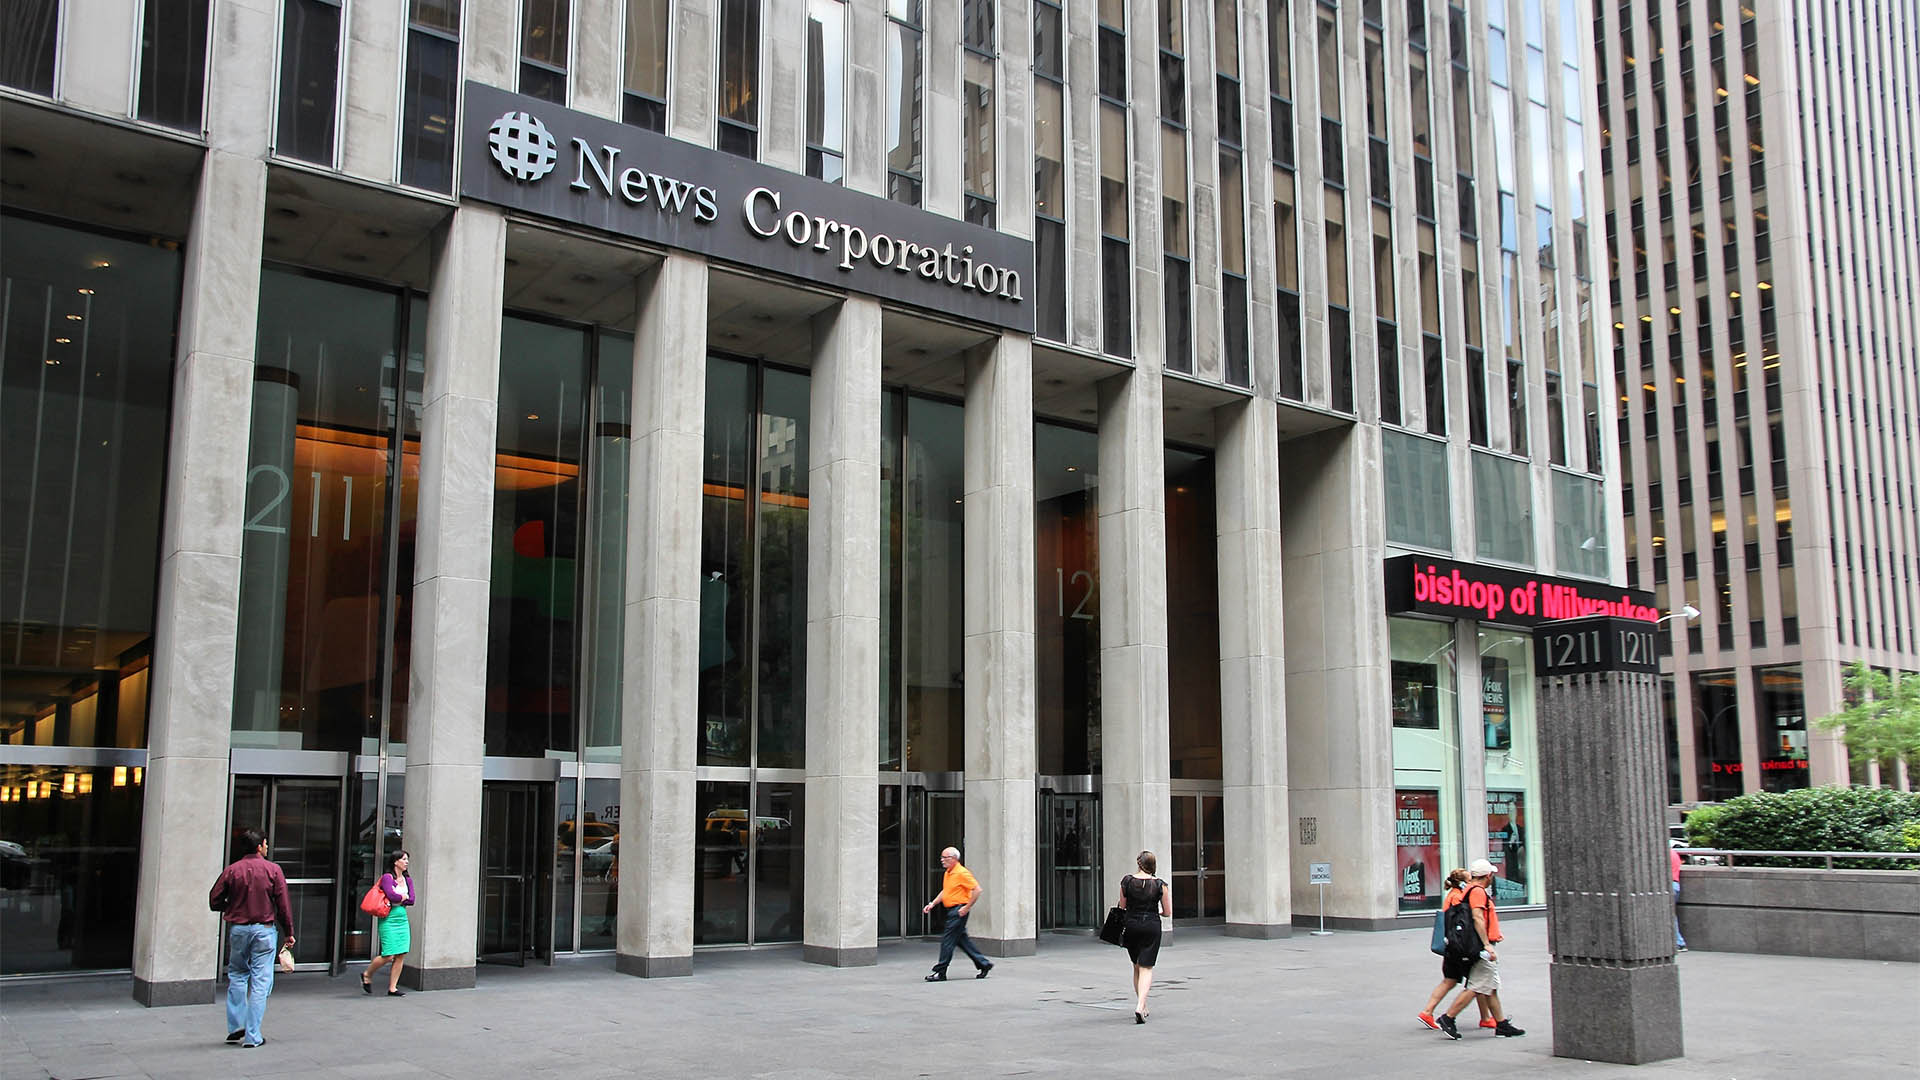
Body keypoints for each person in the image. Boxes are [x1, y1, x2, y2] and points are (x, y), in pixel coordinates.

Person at [208, 828, 294, 1049]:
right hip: (264, 930)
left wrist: (232, 907)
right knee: (260, 981)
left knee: (237, 975)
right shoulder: (273, 870)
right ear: (259, 846)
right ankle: (252, 1035)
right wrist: (289, 931)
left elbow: (214, 899)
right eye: (265, 843)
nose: (267, 847)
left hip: (238, 928)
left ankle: (236, 1025)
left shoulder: (232, 870)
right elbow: (283, 905)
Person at [1436, 859, 1524, 1039]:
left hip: (1473, 945)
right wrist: (1487, 945)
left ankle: (1501, 1025)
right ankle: (1448, 1018)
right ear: (1488, 876)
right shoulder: (1477, 892)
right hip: (1481, 946)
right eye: (1492, 874)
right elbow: (1478, 918)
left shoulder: (1468, 889)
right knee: (1477, 986)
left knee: (1489, 986)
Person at [1417, 868, 1490, 1032]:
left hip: (1452, 944)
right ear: (1463, 882)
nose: (1472, 882)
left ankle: (1427, 1012)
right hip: (1460, 946)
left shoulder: (1452, 894)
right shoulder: (1458, 897)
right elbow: (1463, 920)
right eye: (1470, 879)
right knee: (1477, 982)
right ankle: (1484, 1018)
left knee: (1451, 980)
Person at [921, 846, 993, 981]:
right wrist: (932, 904)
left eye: (945, 857)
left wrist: (967, 907)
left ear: (954, 859)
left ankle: (940, 971)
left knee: (947, 941)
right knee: (962, 940)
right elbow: (945, 891)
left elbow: (977, 890)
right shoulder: (948, 873)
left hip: (958, 911)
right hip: (953, 910)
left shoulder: (962, 873)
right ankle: (984, 964)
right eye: (941, 857)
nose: (942, 860)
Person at [1117, 850, 1172, 1023]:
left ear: (1138, 863)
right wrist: (1158, 912)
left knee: (1136, 966)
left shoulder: (1127, 881)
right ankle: (1141, 1006)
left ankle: (1143, 1005)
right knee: (1147, 967)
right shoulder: (1160, 885)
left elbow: (1122, 907)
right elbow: (1168, 912)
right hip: (1151, 925)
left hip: (1132, 925)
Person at [361, 850, 415, 996]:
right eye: (403, 859)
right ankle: (367, 974)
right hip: (388, 917)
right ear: (395, 861)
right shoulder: (387, 877)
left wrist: (401, 897)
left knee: (401, 954)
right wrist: (402, 896)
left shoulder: (407, 879)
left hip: (401, 917)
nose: (406, 862)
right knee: (388, 954)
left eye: (407, 859)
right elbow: (391, 896)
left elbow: (412, 900)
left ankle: (393, 987)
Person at [1670, 845, 1688, 951]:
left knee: (1667, 915)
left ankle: (1679, 942)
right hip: (1675, 884)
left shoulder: (1662, 853)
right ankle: (1679, 942)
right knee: (1671, 915)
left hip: (1668, 885)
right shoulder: (1674, 853)